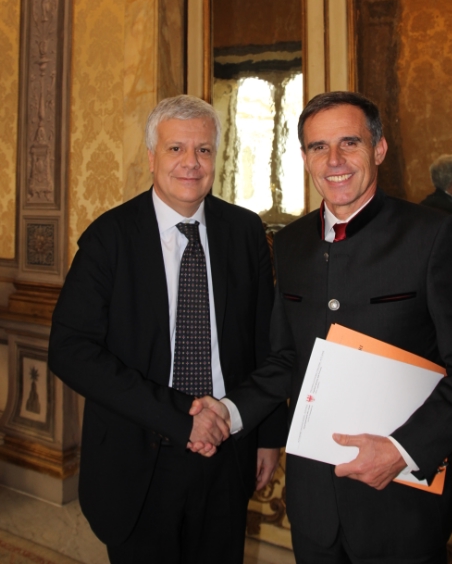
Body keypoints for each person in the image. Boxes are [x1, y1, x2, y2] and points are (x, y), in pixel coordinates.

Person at [192, 91, 452, 564]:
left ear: (379, 149)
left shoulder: (430, 235)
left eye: (349, 143)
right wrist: (228, 412)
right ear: (305, 158)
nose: (334, 160)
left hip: (401, 508)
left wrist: (402, 451)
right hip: (314, 509)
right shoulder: (290, 243)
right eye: (319, 147)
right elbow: (286, 359)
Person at [48, 95, 286, 564]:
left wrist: (267, 434)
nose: (191, 163)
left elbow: (266, 342)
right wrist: (180, 417)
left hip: (228, 449)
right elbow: (70, 349)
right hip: (139, 456)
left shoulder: (245, 232)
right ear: (152, 157)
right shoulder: (109, 237)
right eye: (176, 148)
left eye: (203, 150)